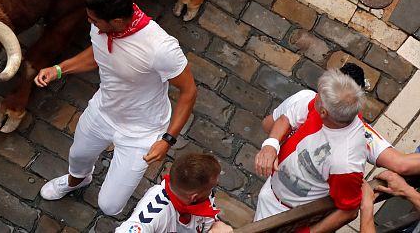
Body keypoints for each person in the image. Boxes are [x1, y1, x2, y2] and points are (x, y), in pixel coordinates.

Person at [35, 0, 197, 216]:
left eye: (94, 21)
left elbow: (189, 91)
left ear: (118, 22)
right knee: (78, 156)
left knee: (109, 206)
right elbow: (98, 51)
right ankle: (77, 181)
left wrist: (167, 140)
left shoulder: (160, 48)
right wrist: (59, 69)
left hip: (141, 132)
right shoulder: (102, 25)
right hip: (103, 111)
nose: (90, 23)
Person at [253, 69, 366, 231]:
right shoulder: (331, 111)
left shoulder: (345, 163)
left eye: (318, 95)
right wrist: (271, 145)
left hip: (291, 217)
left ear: (324, 112)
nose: (315, 96)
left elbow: (349, 210)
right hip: (271, 193)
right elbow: (287, 118)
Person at [260, 63, 420, 176]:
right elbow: (401, 164)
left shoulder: (308, 99)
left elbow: (268, 125)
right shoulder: (362, 134)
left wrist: (279, 144)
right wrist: (272, 145)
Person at [114, 153, 234, 232]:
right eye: (212, 187)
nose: (212, 191)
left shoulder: (200, 194)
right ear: (194, 197)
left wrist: (216, 225)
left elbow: (207, 223)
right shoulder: (153, 213)